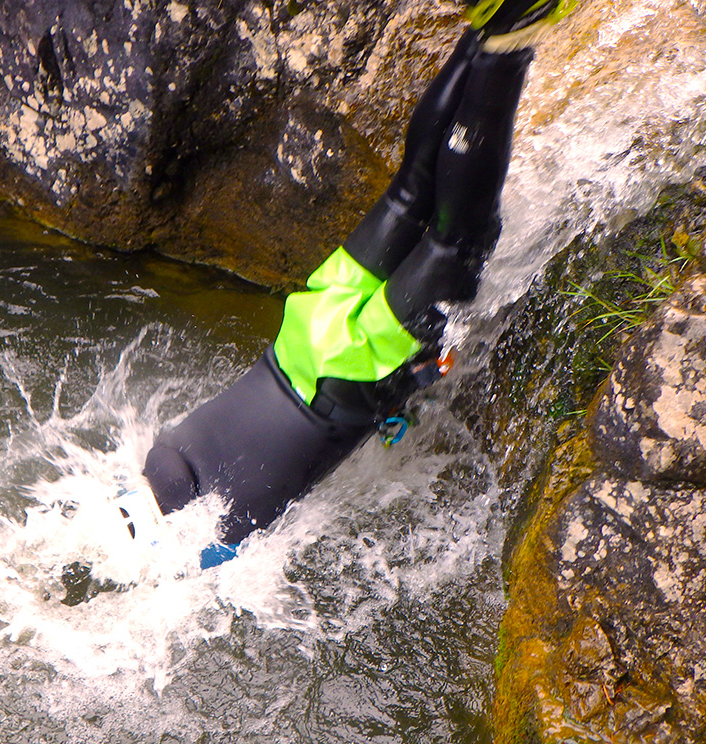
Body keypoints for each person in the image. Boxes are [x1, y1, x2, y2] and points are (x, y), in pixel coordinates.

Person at [133, 0, 577, 568]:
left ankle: (507, 41)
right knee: (409, 193)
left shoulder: (198, 560)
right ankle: (479, 30)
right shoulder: (154, 463)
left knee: (456, 245)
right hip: (302, 331)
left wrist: (405, 380)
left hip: (341, 376)